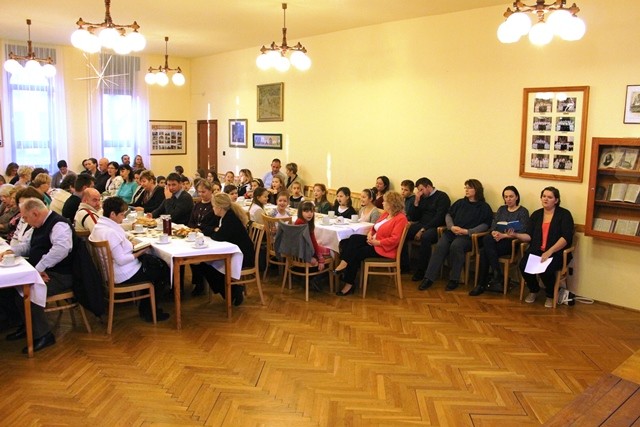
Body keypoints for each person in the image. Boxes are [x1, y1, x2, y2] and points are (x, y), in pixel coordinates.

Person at [2, 198, 75, 353]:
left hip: (60, 274)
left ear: (35, 213)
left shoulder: (58, 224)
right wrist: (11, 251)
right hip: (43, 270)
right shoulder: (39, 224)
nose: (25, 221)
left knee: (28, 292)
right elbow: (28, 245)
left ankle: (44, 335)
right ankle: (27, 326)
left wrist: (39, 268)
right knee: (12, 289)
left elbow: (61, 250)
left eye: (25, 217)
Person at [89, 197, 170, 322]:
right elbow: (121, 260)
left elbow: (120, 243)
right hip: (123, 274)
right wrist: (140, 252)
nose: (123, 218)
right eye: (121, 214)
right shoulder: (110, 232)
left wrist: (131, 245)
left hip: (111, 271)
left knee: (154, 264)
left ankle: (146, 307)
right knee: (162, 270)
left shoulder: (99, 227)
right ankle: (149, 311)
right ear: (112, 214)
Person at [418, 179, 493, 292]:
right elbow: (448, 215)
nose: (466, 190)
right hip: (452, 232)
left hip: (468, 237)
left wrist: (468, 231)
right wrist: (451, 226)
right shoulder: (460, 203)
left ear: (477, 190)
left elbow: (486, 225)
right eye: (465, 187)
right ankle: (429, 278)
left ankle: (454, 279)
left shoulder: (484, 207)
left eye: (469, 188)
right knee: (440, 245)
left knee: (456, 246)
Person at [334, 191, 408, 296]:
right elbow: (374, 227)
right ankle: (345, 263)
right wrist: (370, 234)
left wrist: (377, 242)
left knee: (356, 252)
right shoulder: (386, 214)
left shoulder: (401, 218)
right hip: (374, 241)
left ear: (392, 203)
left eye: (385, 201)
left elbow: (395, 239)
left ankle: (348, 283)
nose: (382, 203)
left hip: (384, 249)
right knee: (351, 239)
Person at [512, 187, 574, 308]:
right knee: (523, 265)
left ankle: (550, 295)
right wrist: (515, 234)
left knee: (546, 270)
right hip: (537, 250)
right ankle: (534, 289)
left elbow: (566, 238)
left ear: (556, 200)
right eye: (544, 196)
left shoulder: (564, 214)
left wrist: (549, 251)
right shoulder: (536, 214)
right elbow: (529, 236)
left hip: (556, 253)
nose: (546, 199)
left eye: (550, 197)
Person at [192, 193, 254, 306]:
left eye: (213, 206)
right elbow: (210, 228)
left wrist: (212, 231)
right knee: (203, 263)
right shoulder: (225, 215)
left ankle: (233, 291)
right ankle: (232, 291)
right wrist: (213, 230)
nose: (212, 209)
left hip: (242, 256)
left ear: (220, 207)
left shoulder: (230, 218)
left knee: (205, 264)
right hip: (233, 252)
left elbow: (218, 237)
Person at [469, 186, 530, 296]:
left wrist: (504, 235)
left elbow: (523, 230)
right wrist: (494, 233)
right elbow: (493, 226)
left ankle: (481, 284)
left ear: (517, 197)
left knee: (484, 251)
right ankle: (496, 272)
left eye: (511, 196)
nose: (508, 199)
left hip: (511, 243)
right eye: (506, 197)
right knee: (487, 239)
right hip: (496, 240)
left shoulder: (523, 211)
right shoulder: (502, 209)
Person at [405, 177, 451, 281]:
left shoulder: (442, 197)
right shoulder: (422, 198)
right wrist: (416, 203)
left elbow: (439, 218)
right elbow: (414, 217)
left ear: (429, 187)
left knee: (426, 237)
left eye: (421, 189)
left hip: (436, 227)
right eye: (418, 190)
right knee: (403, 232)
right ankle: (404, 265)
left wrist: (423, 229)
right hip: (421, 224)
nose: (420, 193)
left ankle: (421, 270)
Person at [187, 180, 219, 297]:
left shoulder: (215, 206)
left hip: (210, 238)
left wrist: (200, 229)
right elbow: (191, 222)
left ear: (210, 191)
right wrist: (194, 228)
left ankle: (200, 283)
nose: (201, 194)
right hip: (197, 236)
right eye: (199, 192)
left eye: (203, 192)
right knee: (190, 255)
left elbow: (214, 225)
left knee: (197, 258)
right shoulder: (197, 205)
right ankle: (198, 282)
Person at [295, 201, 330, 279]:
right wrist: (309, 257)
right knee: (330, 253)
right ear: (300, 212)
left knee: (328, 250)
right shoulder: (300, 223)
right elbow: (299, 244)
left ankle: (320, 277)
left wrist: (320, 257)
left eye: (311, 211)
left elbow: (313, 241)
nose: (310, 214)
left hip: (307, 250)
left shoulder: (308, 223)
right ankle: (318, 279)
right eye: (306, 211)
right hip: (301, 254)